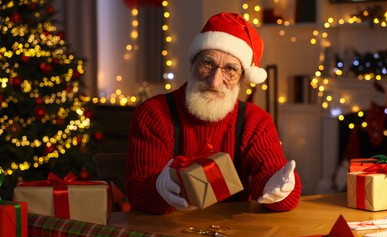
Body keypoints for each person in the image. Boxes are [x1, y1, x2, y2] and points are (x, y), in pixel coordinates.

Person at [126, 12, 302, 214]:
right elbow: (138, 195)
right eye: (208, 63)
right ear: (193, 63)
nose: (215, 81)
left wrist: (279, 189)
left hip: (234, 235)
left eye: (230, 69)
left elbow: (282, 199)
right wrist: (159, 188)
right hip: (168, 234)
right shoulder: (154, 114)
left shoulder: (256, 121)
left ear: (242, 78)